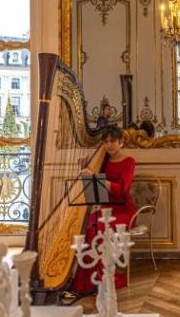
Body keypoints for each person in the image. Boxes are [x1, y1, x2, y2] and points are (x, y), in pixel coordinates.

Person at [70, 125, 136, 293]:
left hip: (123, 210)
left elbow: (122, 190)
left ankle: (104, 277)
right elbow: (94, 185)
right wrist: (86, 169)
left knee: (99, 229)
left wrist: (98, 179)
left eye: (113, 141)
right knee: (88, 227)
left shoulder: (129, 162)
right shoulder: (102, 161)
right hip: (105, 209)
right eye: (106, 142)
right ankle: (87, 281)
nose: (109, 145)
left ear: (121, 142)